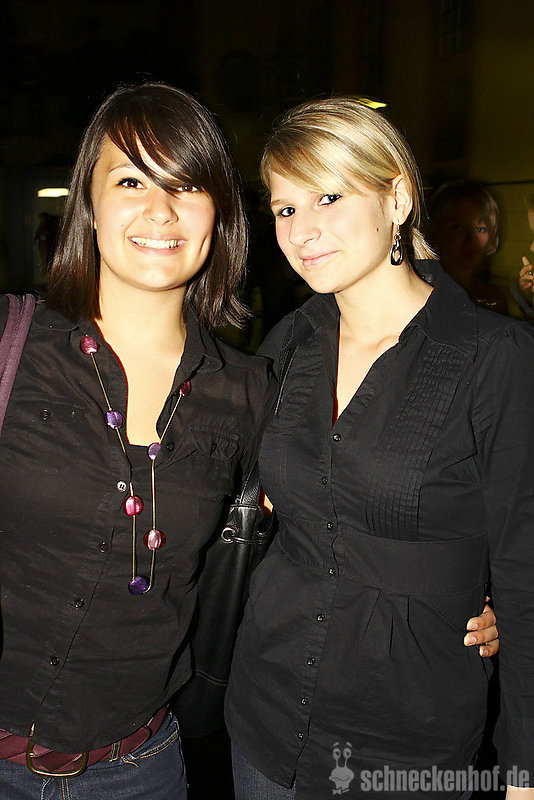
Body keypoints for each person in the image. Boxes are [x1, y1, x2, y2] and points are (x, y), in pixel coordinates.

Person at [225, 98, 534, 799]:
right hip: (264, 719)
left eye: (329, 197)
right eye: (285, 208)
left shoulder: (497, 358)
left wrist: (524, 770)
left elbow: (525, 567)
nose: (302, 230)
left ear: (397, 198)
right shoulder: (291, 344)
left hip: (405, 746)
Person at [0, 82, 274, 799]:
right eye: (130, 181)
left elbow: (328, 536)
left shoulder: (253, 395)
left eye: (187, 184)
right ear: (88, 205)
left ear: (220, 213)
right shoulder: (9, 345)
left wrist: (459, 597)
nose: (160, 209)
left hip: (140, 771)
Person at [429, 180, 508, 314]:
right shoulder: (425, 296)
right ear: (437, 229)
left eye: (481, 229)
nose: (471, 239)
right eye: (459, 227)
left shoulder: (493, 299)